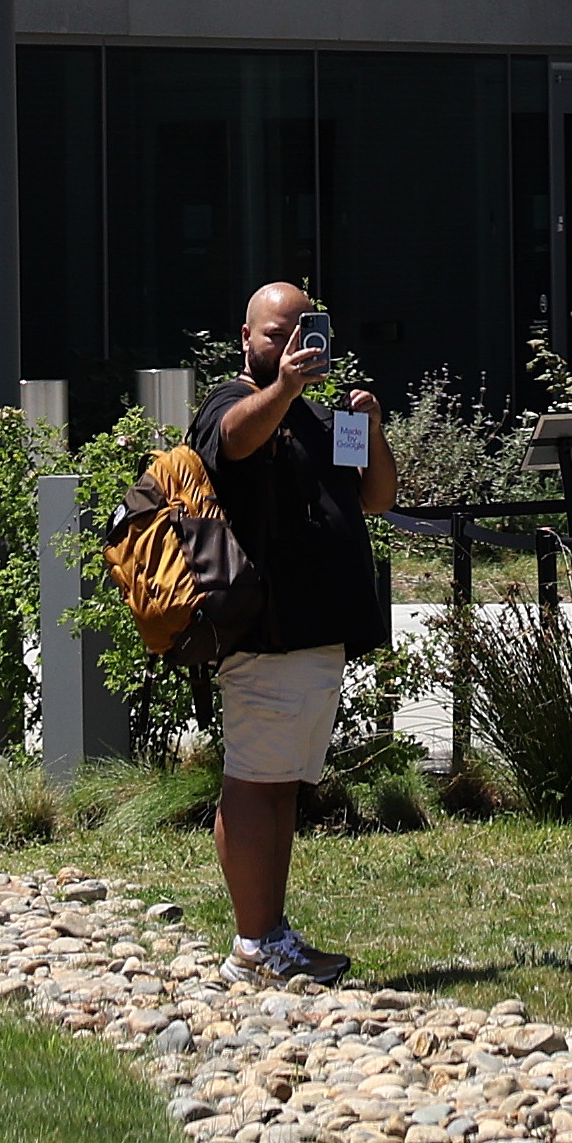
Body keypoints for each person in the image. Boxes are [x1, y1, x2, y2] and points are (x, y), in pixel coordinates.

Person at [205, 277, 393, 984]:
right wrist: (281, 387)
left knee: (277, 781)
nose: (288, 345)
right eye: (273, 333)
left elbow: (376, 497)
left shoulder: (319, 415)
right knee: (255, 781)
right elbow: (233, 439)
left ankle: (270, 935)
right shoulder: (234, 401)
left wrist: (369, 427)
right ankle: (254, 945)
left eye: (301, 332)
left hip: (314, 634)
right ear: (245, 339)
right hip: (266, 630)